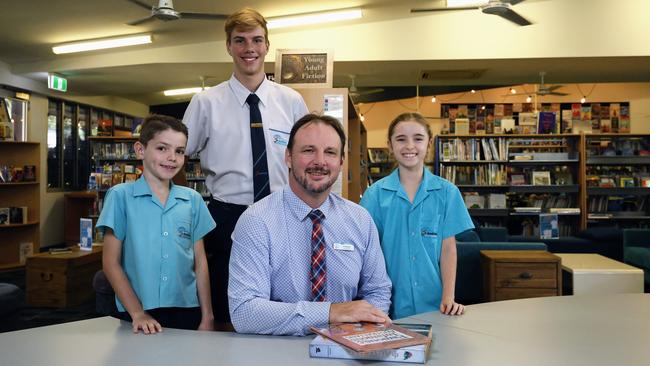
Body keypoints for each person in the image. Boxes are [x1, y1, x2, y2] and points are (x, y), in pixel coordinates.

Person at [181, 7, 309, 327]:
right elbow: (176, 157)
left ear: (267, 45)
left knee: (286, 300)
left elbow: (306, 159)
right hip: (227, 216)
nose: (248, 48)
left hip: (284, 213)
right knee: (231, 306)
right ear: (228, 46)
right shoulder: (205, 102)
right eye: (239, 40)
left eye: (256, 40)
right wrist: (185, 203)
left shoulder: (291, 100)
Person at [228, 114, 392, 336]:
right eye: (308, 150)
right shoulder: (256, 221)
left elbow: (378, 292)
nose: (320, 162)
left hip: (346, 350)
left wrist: (356, 334)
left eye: (330, 152)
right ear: (288, 157)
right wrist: (330, 312)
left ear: (341, 162)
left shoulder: (360, 220)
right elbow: (244, 313)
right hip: (276, 352)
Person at [98, 115, 216, 334]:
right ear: (140, 150)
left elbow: (200, 262)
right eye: (162, 148)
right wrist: (137, 313)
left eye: (179, 151)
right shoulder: (120, 196)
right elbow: (110, 263)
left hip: (187, 309)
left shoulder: (193, 200)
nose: (172, 158)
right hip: (136, 311)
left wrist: (207, 316)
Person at [360, 112, 474, 319]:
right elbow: (367, 252)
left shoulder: (447, 193)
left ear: (429, 144)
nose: (410, 146)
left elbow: (448, 249)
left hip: (434, 304)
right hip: (387, 306)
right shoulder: (374, 195)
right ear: (390, 145)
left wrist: (448, 297)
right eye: (401, 139)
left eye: (418, 139)